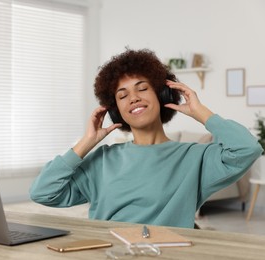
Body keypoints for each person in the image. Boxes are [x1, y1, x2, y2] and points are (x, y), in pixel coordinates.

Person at [29, 48, 263, 228]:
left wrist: (201, 113)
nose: (133, 98)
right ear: (115, 109)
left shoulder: (194, 158)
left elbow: (247, 149)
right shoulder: (102, 160)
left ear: (161, 95)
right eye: (123, 95)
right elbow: (43, 192)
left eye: (142, 89)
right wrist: (86, 143)